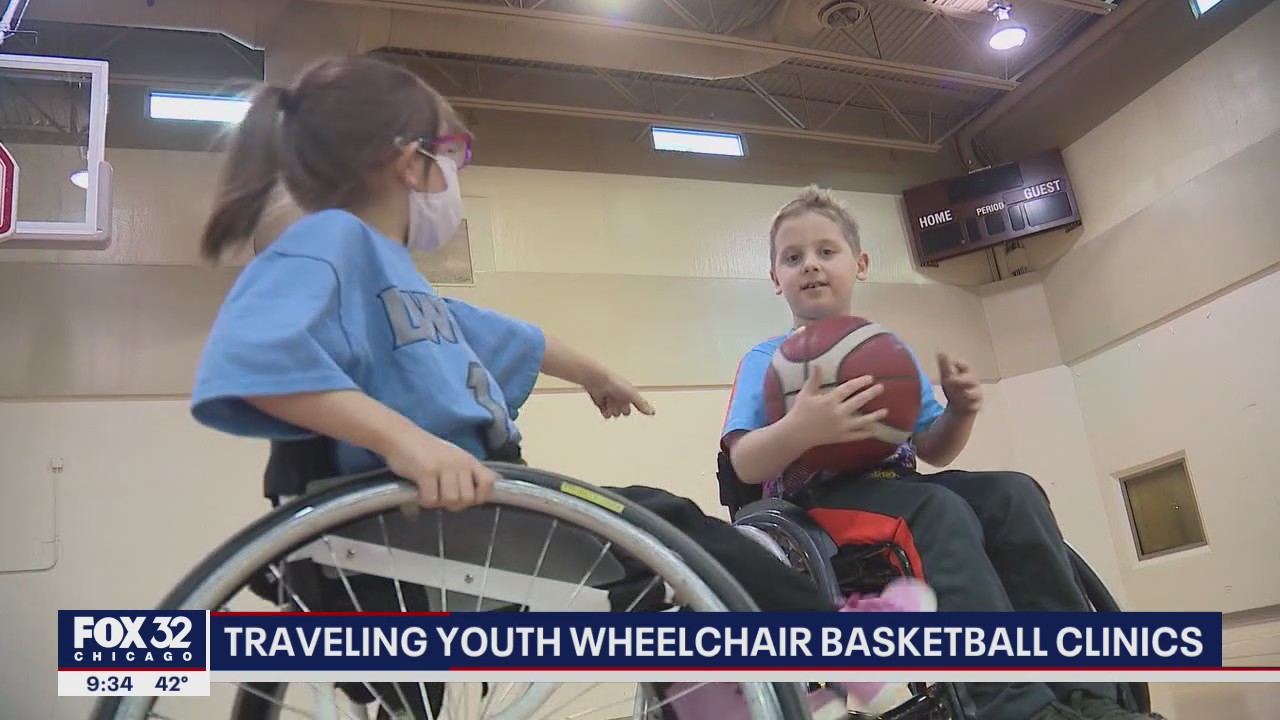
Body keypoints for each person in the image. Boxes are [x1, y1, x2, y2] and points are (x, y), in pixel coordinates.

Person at [186, 56, 928, 720]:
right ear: (413, 163)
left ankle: (713, 683)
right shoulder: (329, 240)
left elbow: (511, 336)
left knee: (648, 560)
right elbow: (255, 359)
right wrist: (406, 444)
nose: (457, 181)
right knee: (666, 523)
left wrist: (593, 373)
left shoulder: (394, 278)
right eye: (457, 156)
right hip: (414, 513)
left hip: (462, 510)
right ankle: (835, 646)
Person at [721, 186, 1160, 720]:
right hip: (819, 504)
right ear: (776, 278)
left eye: (826, 251)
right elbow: (744, 462)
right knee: (939, 510)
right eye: (793, 258)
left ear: (860, 264)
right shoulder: (766, 359)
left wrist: (960, 411)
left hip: (898, 486)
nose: (810, 265)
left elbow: (933, 447)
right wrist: (799, 428)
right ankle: (1009, 706)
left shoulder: (888, 353)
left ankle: (1087, 694)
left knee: (1013, 493)